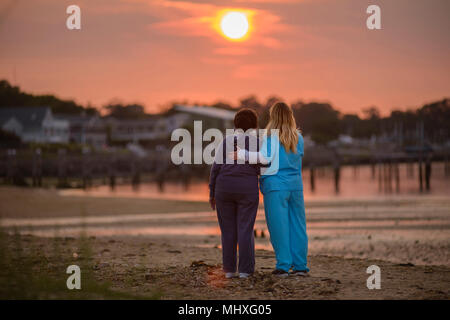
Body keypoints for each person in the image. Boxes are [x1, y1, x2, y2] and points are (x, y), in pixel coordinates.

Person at [234, 102, 309, 277]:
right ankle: (300, 266)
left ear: (273, 117)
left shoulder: (269, 138)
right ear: (290, 116)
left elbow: (264, 158)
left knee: (278, 228)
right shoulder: (299, 137)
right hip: (296, 187)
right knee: (298, 226)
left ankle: (283, 265)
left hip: (275, 187)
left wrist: (242, 154)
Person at [209, 108, 260, 279]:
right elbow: (263, 168)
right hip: (247, 190)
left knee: (228, 230)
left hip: (224, 188)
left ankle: (229, 270)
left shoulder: (226, 141)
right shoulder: (258, 142)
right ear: (254, 125)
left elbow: (215, 168)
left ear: (235, 124)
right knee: (245, 229)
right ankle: (245, 271)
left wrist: (212, 193)